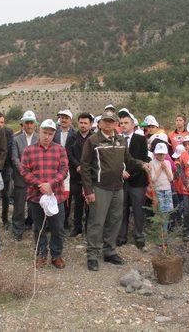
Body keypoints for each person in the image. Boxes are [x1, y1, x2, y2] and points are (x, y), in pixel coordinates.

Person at [81, 110, 149, 271]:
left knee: (115, 220)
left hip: (118, 187)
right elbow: (84, 167)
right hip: (99, 187)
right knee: (97, 222)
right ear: (100, 123)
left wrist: (141, 164)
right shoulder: (93, 140)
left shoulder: (120, 139)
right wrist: (88, 190)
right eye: (106, 121)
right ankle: (92, 254)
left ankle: (109, 251)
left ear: (116, 124)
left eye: (112, 121)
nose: (109, 124)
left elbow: (129, 160)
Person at [20, 119, 69, 269]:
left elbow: (64, 170)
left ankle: (56, 255)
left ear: (54, 133)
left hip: (56, 196)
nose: (47, 136)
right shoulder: (29, 150)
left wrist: (51, 184)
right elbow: (24, 170)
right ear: (39, 131)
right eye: (44, 133)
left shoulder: (60, 150)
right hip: (36, 196)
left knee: (58, 228)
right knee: (39, 228)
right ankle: (41, 255)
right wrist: (39, 184)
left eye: (50, 133)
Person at [117, 112, 150, 249]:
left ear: (133, 124)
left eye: (126, 123)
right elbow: (114, 160)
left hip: (137, 181)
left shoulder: (141, 139)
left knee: (138, 210)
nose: (123, 125)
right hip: (120, 181)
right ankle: (121, 236)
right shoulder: (117, 139)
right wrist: (120, 172)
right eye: (121, 123)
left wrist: (129, 173)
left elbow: (142, 159)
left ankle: (139, 236)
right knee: (122, 209)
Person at [11, 110, 39, 240]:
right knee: (19, 205)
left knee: (35, 204)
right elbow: (14, 158)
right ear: (23, 123)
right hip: (20, 177)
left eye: (31, 123)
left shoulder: (39, 138)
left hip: (36, 177)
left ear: (35, 124)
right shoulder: (16, 139)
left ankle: (34, 226)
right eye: (26, 123)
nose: (28, 125)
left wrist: (34, 172)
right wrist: (24, 171)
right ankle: (18, 230)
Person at [66, 113, 94, 237]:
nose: (83, 125)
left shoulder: (94, 138)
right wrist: (77, 165)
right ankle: (77, 227)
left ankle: (89, 228)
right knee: (78, 203)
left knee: (89, 203)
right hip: (75, 175)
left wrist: (86, 167)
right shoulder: (72, 137)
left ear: (91, 124)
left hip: (90, 176)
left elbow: (96, 155)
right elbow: (68, 154)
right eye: (81, 122)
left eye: (85, 123)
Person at [0, 112, 13, 228]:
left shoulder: (8, 132)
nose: (0, 124)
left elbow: (9, 149)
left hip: (6, 167)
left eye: (2, 122)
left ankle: (5, 219)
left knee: (6, 195)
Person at [150, 143, 174, 234]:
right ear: (155, 154)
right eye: (159, 154)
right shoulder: (152, 163)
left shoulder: (167, 162)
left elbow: (171, 178)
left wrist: (166, 169)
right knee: (159, 211)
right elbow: (153, 178)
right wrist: (160, 168)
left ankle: (165, 231)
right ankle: (159, 231)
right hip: (158, 189)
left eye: (163, 154)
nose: (161, 156)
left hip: (167, 189)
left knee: (167, 211)